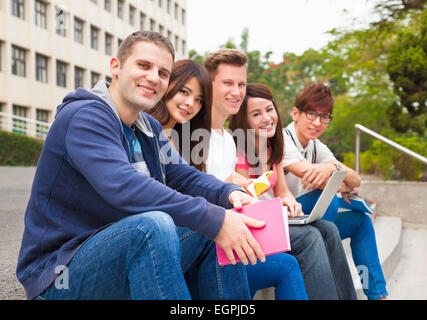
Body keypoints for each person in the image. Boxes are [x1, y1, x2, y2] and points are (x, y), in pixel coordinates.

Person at [15, 31, 266, 300]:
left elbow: (182, 176)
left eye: (162, 73)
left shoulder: (148, 127)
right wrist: (214, 219)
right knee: (153, 227)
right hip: (59, 273)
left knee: (212, 226)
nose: (153, 77)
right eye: (143, 66)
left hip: (114, 250)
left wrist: (228, 194)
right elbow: (124, 186)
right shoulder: (85, 116)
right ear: (116, 67)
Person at [204, 49, 357, 300]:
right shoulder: (233, 143)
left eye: (269, 110)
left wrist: (286, 200)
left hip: (264, 218)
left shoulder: (262, 145)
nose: (266, 118)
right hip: (242, 226)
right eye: (256, 114)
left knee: (328, 229)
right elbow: (242, 198)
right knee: (310, 237)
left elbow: (282, 190)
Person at [149, 59, 307, 300]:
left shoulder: (174, 134)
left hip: (195, 232)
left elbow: (192, 179)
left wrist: (234, 189)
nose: (191, 103)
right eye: (184, 91)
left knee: (305, 240)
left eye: (198, 98)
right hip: (163, 235)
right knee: (217, 228)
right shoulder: (164, 133)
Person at [282, 82, 388, 300]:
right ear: (295, 113)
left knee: (360, 222)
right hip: (283, 220)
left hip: (305, 215)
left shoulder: (315, 146)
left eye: (324, 117)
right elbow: (320, 179)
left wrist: (331, 168)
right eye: (311, 114)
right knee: (328, 199)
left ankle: (377, 295)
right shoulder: (282, 139)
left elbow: (354, 181)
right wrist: (334, 175)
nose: (317, 122)